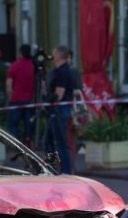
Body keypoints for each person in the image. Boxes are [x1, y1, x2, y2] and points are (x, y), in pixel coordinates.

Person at [45, 45, 74, 174]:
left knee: (60, 142)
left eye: (54, 53)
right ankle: (51, 167)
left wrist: (47, 98)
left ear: (59, 55)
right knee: (49, 141)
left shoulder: (63, 72)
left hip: (59, 110)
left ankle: (66, 170)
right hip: (56, 110)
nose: (52, 55)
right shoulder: (58, 71)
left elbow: (59, 95)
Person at [5, 44, 35, 146]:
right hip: (30, 100)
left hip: (16, 99)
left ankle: (15, 146)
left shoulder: (15, 65)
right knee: (29, 124)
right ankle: (28, 143)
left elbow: (9, 84)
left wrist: (10, 97)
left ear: (20, 53)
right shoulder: (33, 66)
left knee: (14, 125)